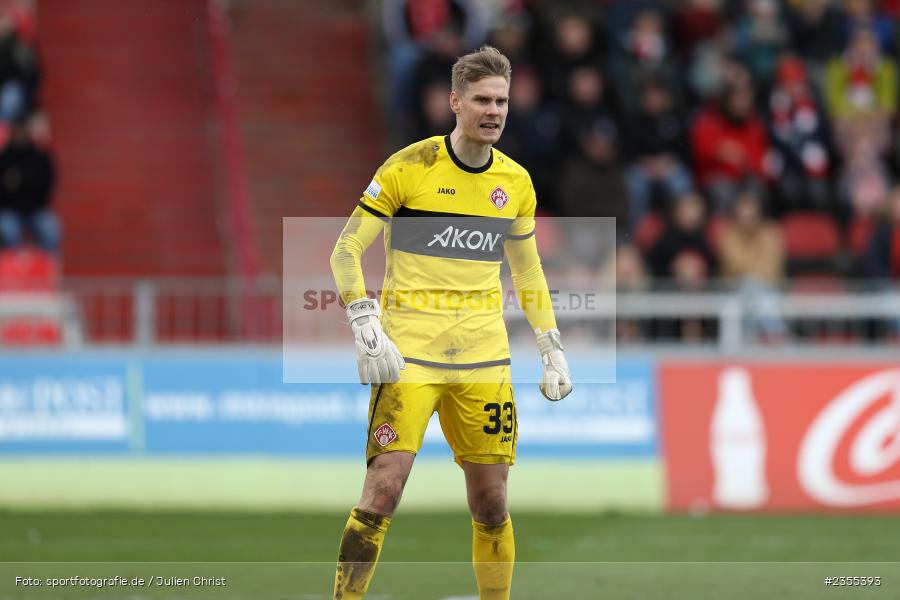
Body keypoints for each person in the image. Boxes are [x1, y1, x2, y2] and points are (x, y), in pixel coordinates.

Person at [329, 46, 572, 600]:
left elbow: (527, 270)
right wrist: (363, 319)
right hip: (408, 357)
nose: (495, 112)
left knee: (492, 503)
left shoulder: (516, 183)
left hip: (484, 360)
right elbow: (345, 250)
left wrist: (550, 345)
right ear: (455, 101)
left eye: (502, 101)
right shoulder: (408, 167)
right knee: (383, 489)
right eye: (483, 100)